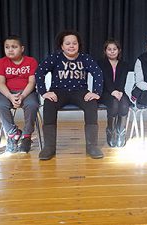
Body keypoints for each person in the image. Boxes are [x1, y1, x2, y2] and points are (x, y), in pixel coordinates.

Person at [35, 30, 104, 160]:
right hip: (58, 91)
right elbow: (39, 72)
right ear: (62, 46)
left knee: (91, 105)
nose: (71, 46)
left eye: (74, 43)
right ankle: (49, 147)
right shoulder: (55, 58)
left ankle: (92, 146)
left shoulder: (85, 58)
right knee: (49, 105)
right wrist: (44, 92)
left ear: (79, 45)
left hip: (80, 91)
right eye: (67, 43)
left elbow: (98, 73)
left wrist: (96, 93)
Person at [0, 35, 39, 153]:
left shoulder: (31, 61)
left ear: (22, 48)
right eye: (7, 47)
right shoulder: (1, 62)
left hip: (26, 92)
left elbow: (32, 82)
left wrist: (22, 95)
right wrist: (10, 96)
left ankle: (27, 136)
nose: (10, 50)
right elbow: (0, 83)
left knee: (32, 105)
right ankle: (13, 133)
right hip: (7, 93)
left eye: (14, 47)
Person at [98, 39, 130, 147]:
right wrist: (113, 91)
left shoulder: (124, 64)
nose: (112, 51)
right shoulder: (100, 63)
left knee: (125, 104)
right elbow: (105, 79)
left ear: (119, 51)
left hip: (120, 91)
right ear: (105, 51)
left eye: (114, 49)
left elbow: (123, 80)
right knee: (114, 104)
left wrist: (119, 91)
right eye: (109, 49)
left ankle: (120, 132)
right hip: (106, 92)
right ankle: (110, 132)